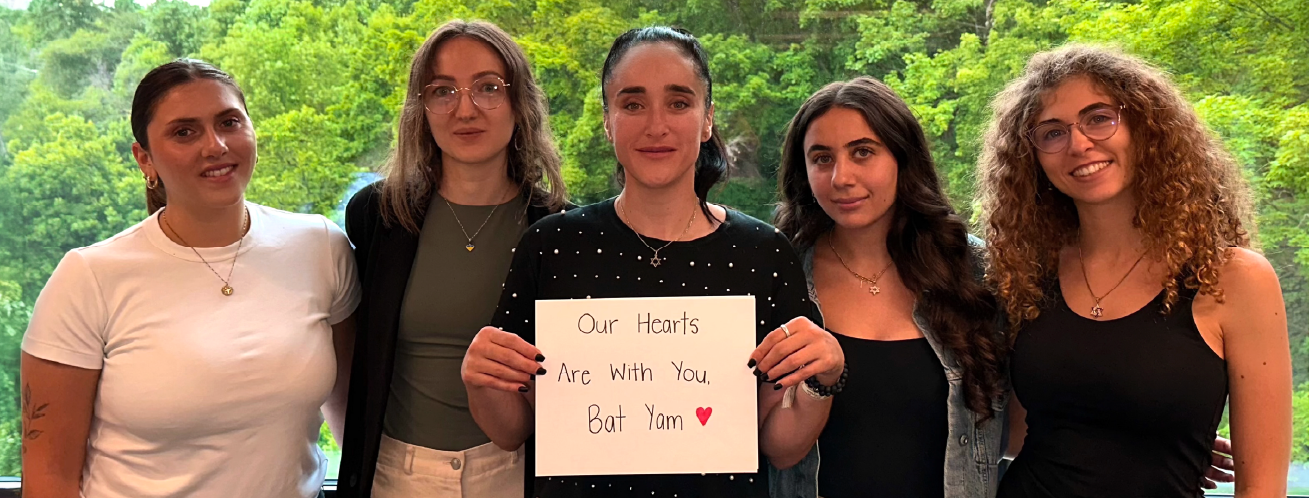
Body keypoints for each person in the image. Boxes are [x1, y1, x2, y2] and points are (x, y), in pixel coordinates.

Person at [460, 26, 843, 497]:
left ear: (707, 120)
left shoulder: (762, 253)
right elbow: (511, 430)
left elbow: (780, 448)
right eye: (632, 103)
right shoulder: (552, 246)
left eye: (679, 103)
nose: (656, 125)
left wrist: (822, 379)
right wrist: (481, 381)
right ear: (607, 120)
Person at [20, 59, 360, 498]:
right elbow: (49, 475)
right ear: (145, 158)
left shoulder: (320, 246)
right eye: (184, 132)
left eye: (229, 122)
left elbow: (352, 409)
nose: (216, 145)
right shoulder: (89, 277)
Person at [978, 44, 1291, 497]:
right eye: (1051, 132)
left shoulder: (1234, 279)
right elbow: (1020, 433)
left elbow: (1263, 489)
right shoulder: (1026, 272)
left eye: (1099, 117)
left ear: (1147, 126)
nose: (1079, 144)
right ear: (1033, 158)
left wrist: (1171, 440)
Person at [336, 20, 569, 498]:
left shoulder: (559, 230)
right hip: (394, 473)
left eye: (488, 87)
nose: (465, 109)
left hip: (514, 471)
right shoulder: (378, 216)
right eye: (442, 91)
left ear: (519, 102)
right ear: (420, 110)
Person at [769, 76, 1006, 498]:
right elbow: (775, 448)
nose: (842, 176)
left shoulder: (976, 270)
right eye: (822, 158)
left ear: (903, 157)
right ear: (803, 173)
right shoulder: (779, 274)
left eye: (863, 152)